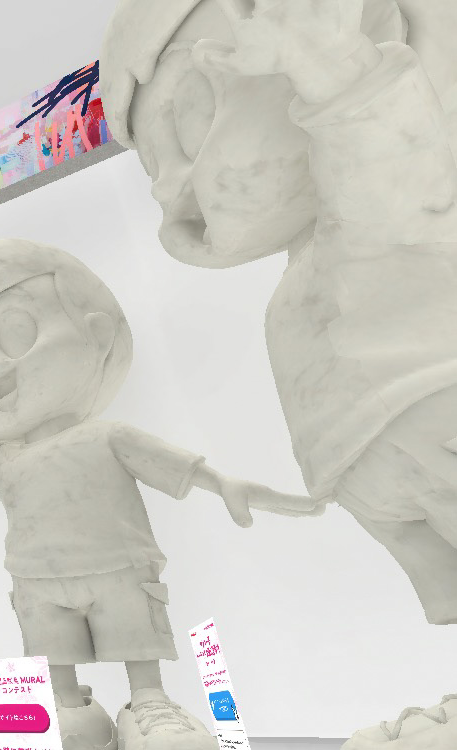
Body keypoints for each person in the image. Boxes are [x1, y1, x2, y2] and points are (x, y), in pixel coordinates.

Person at [101, 0, 457, 745]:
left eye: (189, 125)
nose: (169, 190)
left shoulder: (383, 195)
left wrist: (333, 66)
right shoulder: (315, 261)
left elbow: (397, 169)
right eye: (153, 168)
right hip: (379, 451)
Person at [0, 239, 317, 750]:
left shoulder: (106, 436)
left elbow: (167, 463)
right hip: (35, 578)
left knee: (135, 637)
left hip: (118, 566)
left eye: (17, 333)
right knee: (52, 654)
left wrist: (221, 484)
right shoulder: (0, 459)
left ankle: (148, 703)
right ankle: (66, 708)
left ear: (97, 333)